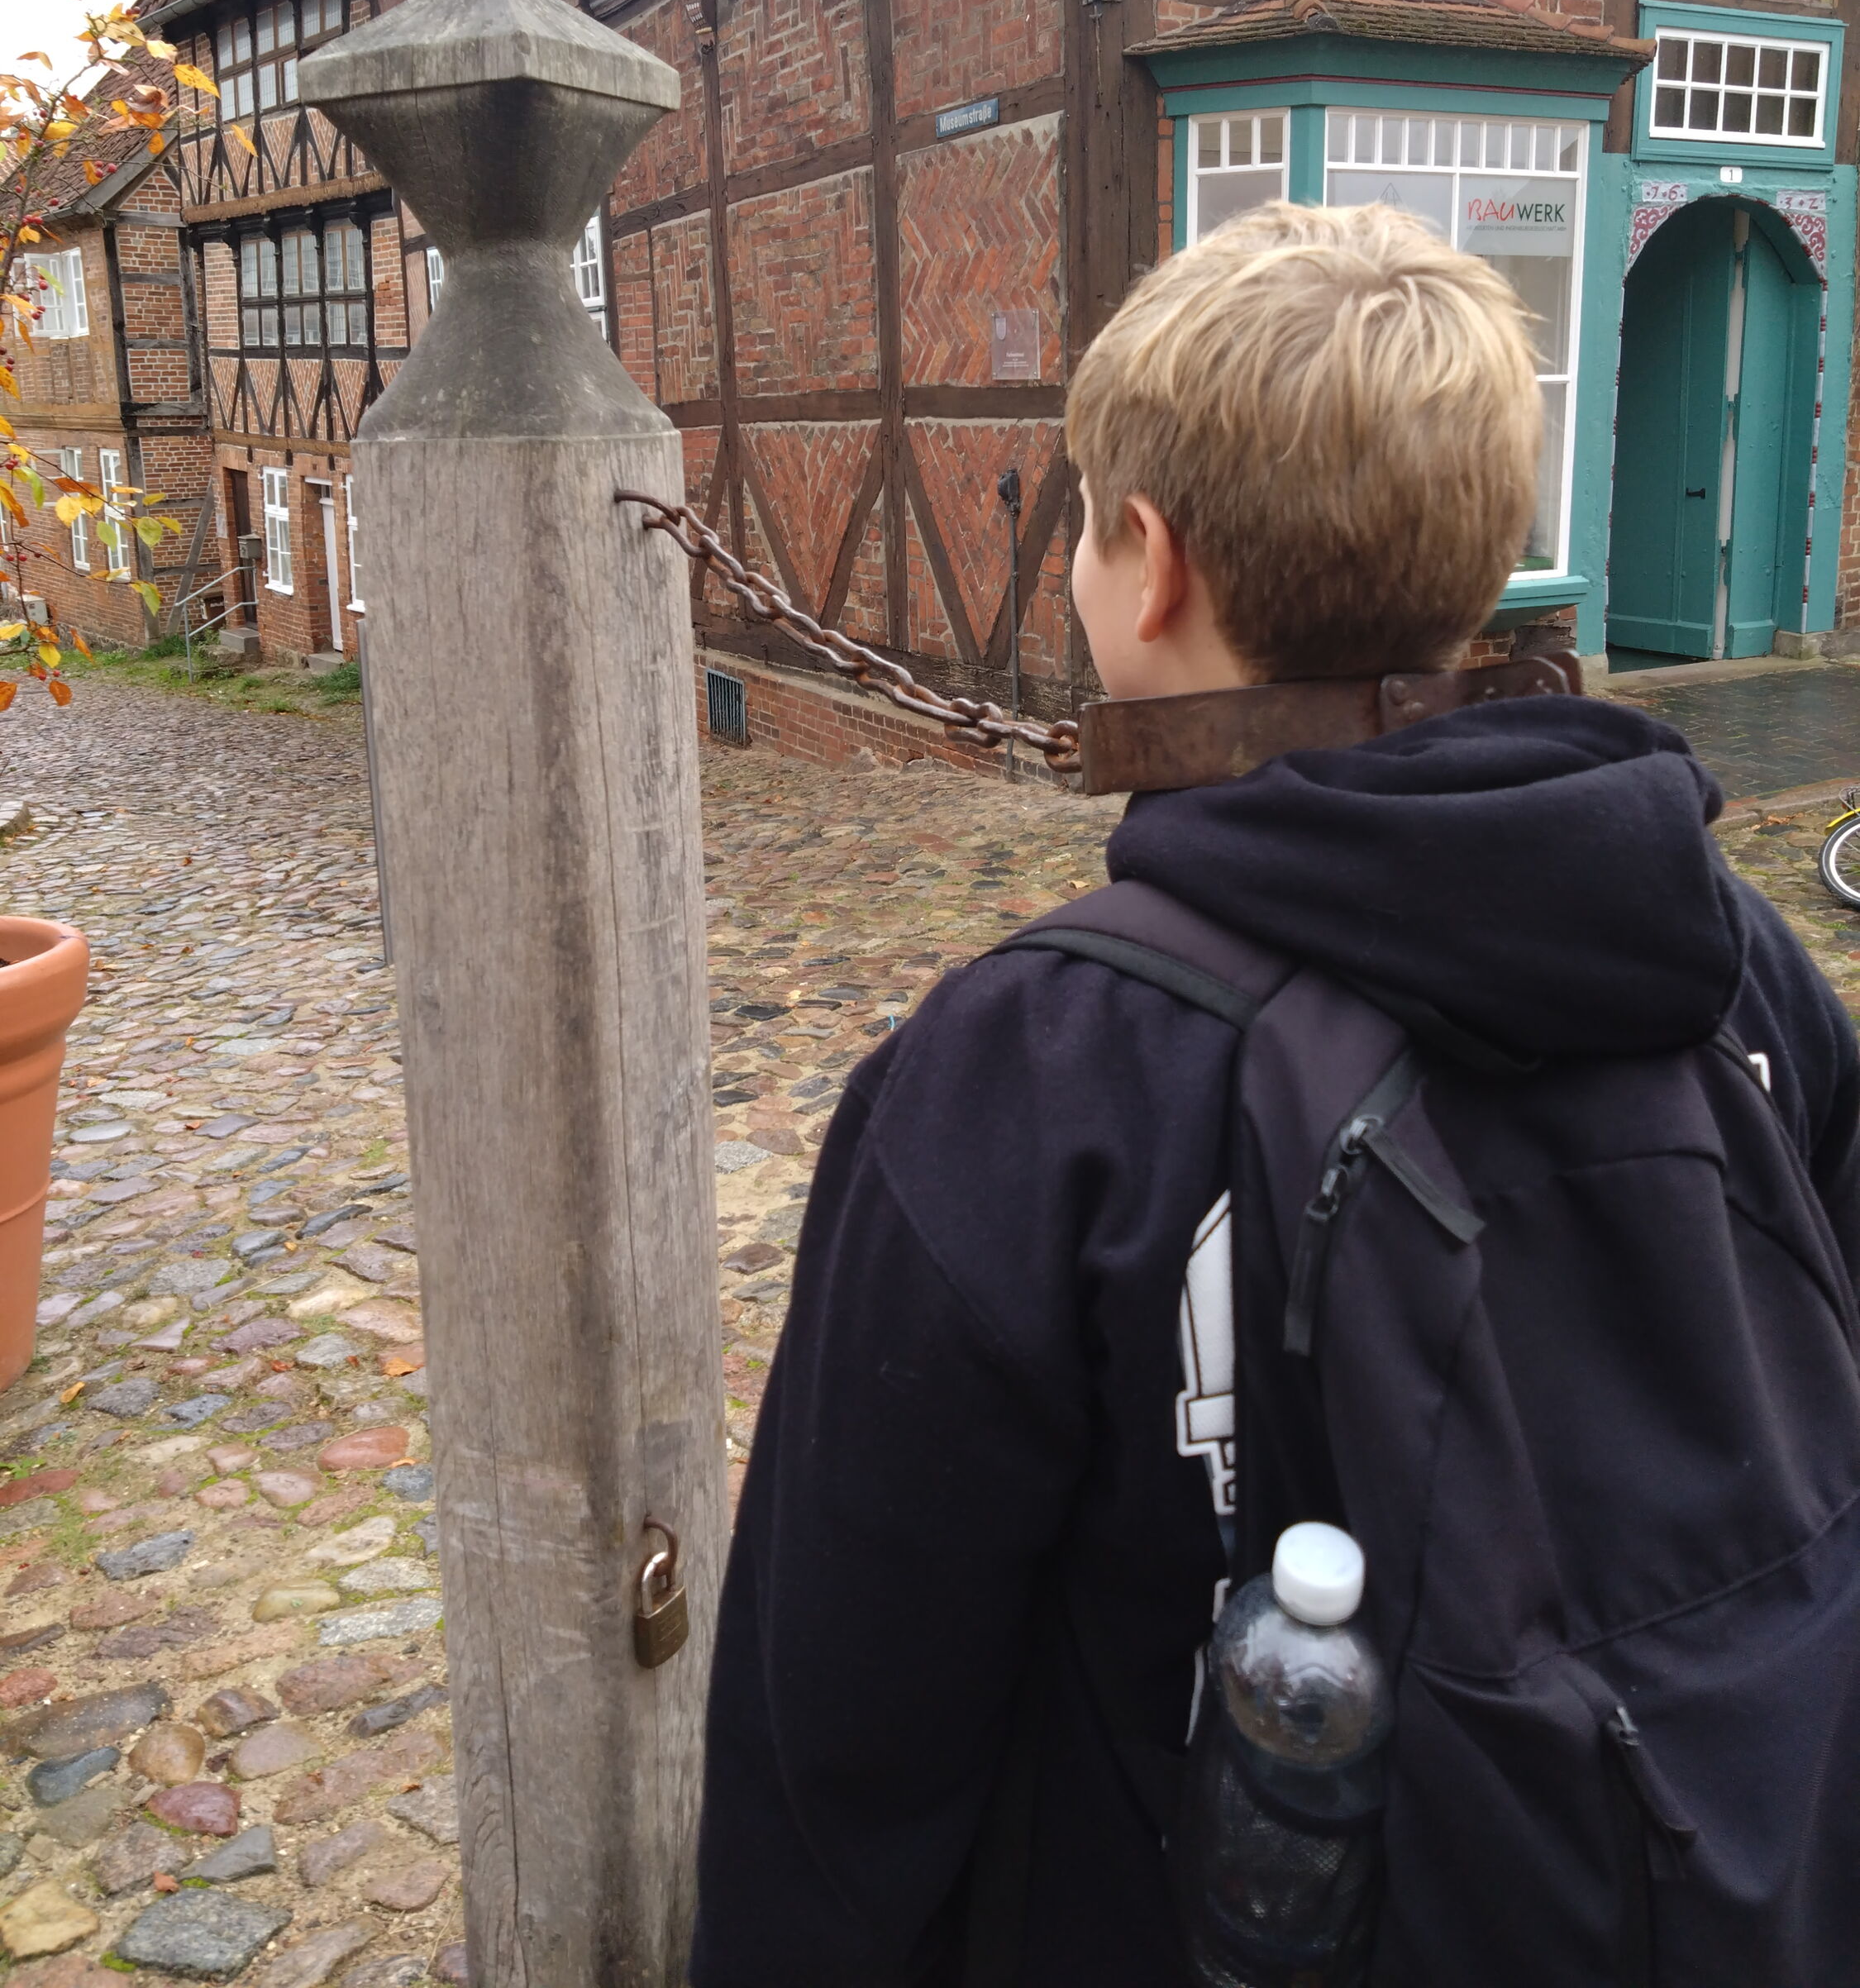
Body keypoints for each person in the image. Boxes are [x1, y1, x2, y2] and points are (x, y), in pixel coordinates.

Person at [689, 203, 1860, 1988]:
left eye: (1085, 521)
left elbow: (842, 1730)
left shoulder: (1025, 1075)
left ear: (1148, 564)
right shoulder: (1736, 958)